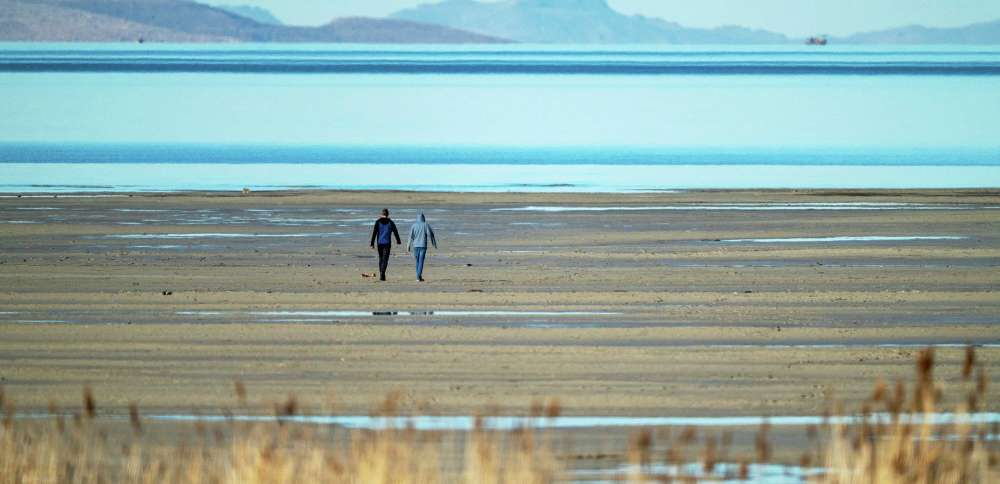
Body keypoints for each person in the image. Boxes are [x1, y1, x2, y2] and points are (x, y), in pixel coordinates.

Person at [369, 208, 401, 281]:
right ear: (388, 214)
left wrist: (372, 243)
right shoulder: (390, 222)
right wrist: (398, 240)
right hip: (387, 243)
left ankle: (381, 273)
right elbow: (395, 231)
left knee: (381, 258)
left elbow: (374, 233)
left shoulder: (378, 222)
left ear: (382, 214)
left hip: (379, 243)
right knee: (385, 259)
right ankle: (382, 272)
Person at [406, 213, 438, 282]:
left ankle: (418, 276)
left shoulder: (413, 225)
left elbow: (410, 236)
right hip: (423, 246)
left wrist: (408, 246)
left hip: (415, 246)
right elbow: (431, 234)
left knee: (417, 261)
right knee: (421, 261)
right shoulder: (425, 225)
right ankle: (418, 276)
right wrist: (434, 244)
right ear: (423, 218)